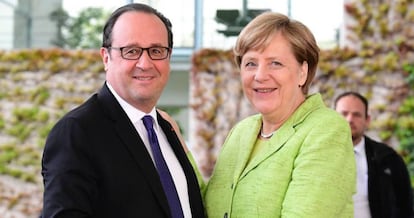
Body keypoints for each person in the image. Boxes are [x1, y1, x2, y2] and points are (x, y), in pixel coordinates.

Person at [40, 3, 205, 217]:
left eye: (156, 51)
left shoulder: (165, 130)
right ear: (106, 58)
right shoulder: (77, 132)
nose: (145, 63)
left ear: (168, 58)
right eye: (132, 51)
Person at [203, 11, 356, 217]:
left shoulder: (326, 130)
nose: (260, 75)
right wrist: (172, 143)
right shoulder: (241, 131)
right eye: (250, 63)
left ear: (303, 72)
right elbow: (209, 208)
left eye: (275, 63)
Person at [334, 91, 414, 218]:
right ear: (332, 117)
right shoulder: (313, 155)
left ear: (367, 120)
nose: (349, 119)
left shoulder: (389, 159)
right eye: (344, 113)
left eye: (356, 115)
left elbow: (406, 206)